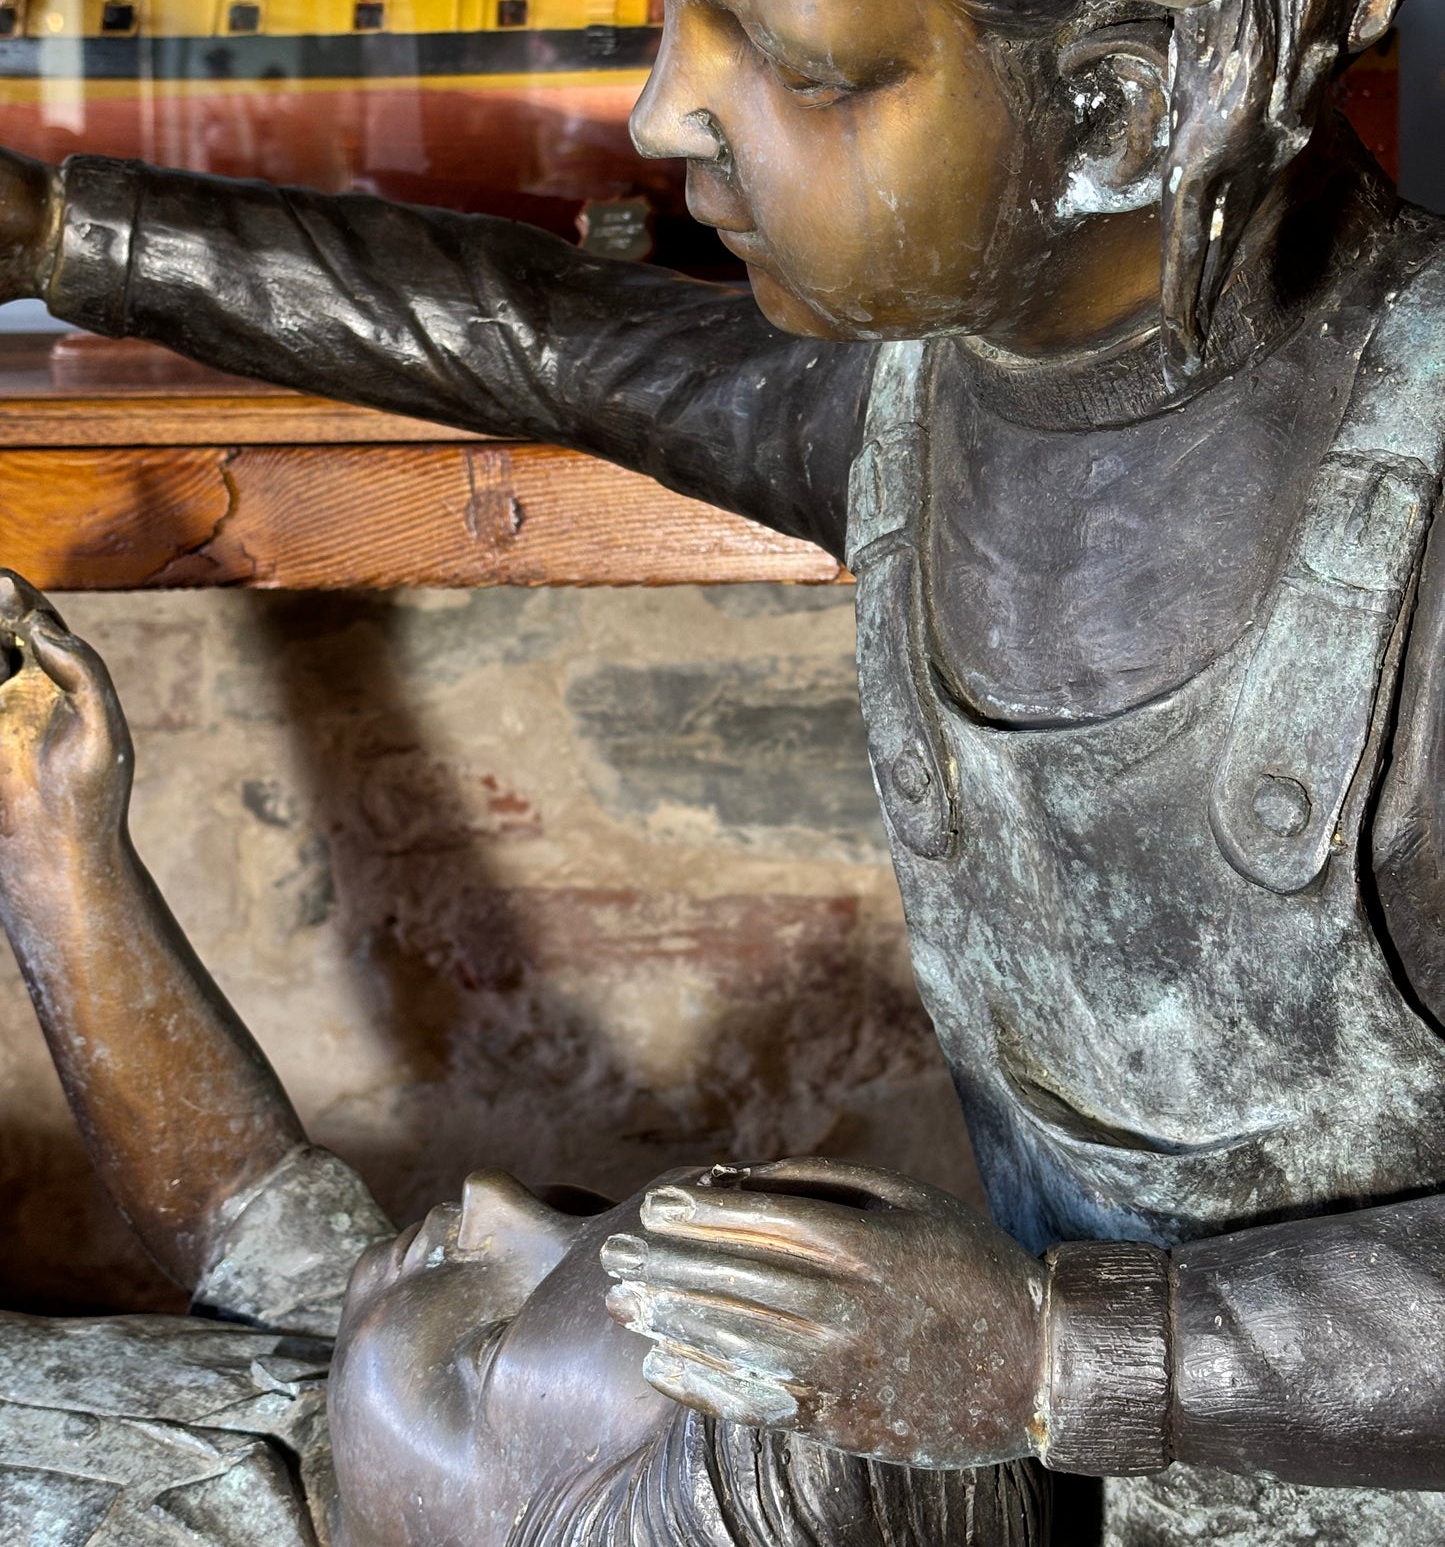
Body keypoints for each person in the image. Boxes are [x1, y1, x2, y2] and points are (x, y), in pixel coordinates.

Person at [0, 0, 1440, 1539]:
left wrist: (1060, 1359)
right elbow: (520, 333)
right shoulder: (923, 408)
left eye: (787, 54)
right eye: (685, 3)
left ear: (1110, 110)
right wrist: (67, 227)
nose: (666, 110)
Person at [0, 569, 1044, 1545]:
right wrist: (54, 851)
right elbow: (237, 1193)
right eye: (583, 1213)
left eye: (486, 1348)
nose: (493, 1200)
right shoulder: (362, 1422)